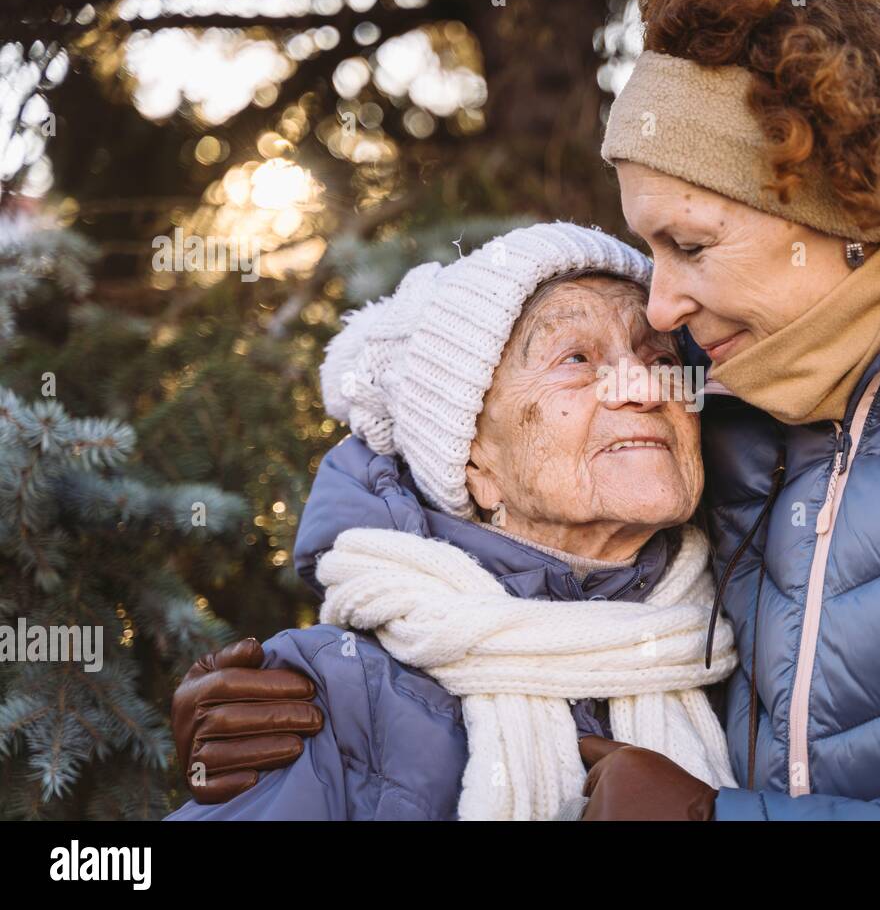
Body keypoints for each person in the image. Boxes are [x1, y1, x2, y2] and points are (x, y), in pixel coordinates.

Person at [173, 0, 880, 820]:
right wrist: (303, 686)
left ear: (839, 207)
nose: (659, 310)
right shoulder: (737, 388)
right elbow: (451, 444)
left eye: (690, 243)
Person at [168, 221, 732, 820]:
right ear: (471, 462)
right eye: (576, 357)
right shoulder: (334, 693)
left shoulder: (751, 633)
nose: (644, 385)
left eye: (662, 357)